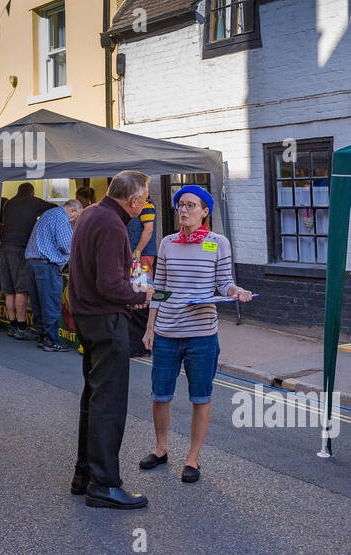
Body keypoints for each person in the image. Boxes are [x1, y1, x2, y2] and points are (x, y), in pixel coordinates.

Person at [139, 186, 253, 483]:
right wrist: (150, 327)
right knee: (159, 395)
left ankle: (193, 458)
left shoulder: (218, 243)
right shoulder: (167, 243)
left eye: (191, 205)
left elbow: (224, 282)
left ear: (205, 212)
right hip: (167, 331)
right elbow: (159, 286)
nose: (183, 210)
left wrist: (236, 291)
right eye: (180, 205)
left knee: (200, 397)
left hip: (201, 334)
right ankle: (161, 448)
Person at [67, 170, 155, 510]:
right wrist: (140, 293)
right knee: (109, 403)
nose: (145, 204)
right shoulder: (112, 224)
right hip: (106, 320)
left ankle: (84, 475)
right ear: (133, 201)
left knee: (93, 396)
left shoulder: (90, 214)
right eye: (145, 199)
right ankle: (104, 484)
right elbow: (109, 284)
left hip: (89, 318)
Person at [24, 199, 82, 351]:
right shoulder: (62, 217)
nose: (74, 221)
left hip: (32, 263)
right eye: (75, 217)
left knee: (38, 303)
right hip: (46, 265)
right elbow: (67, 245)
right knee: (50, 303)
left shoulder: (48, 214)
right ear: (73, 211)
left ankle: (43, 336)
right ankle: (52, 340)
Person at [0, 183, 53, 340]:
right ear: (32, 192)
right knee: (21, 288)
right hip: (21, 246)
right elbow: (54, 207)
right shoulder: (33, 201)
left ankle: (13, 325)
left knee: (9, 288)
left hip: (5, 245)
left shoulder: (9, 203)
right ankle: (22, 327)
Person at [126, 192, 159, 359]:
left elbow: (149, 228)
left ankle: (142, 346)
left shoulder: (147, 206)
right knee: (138, 293)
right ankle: (138, 345)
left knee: (142, 295)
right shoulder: (135, 206)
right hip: (136, 257)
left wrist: (137, 252)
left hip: (141, 257)